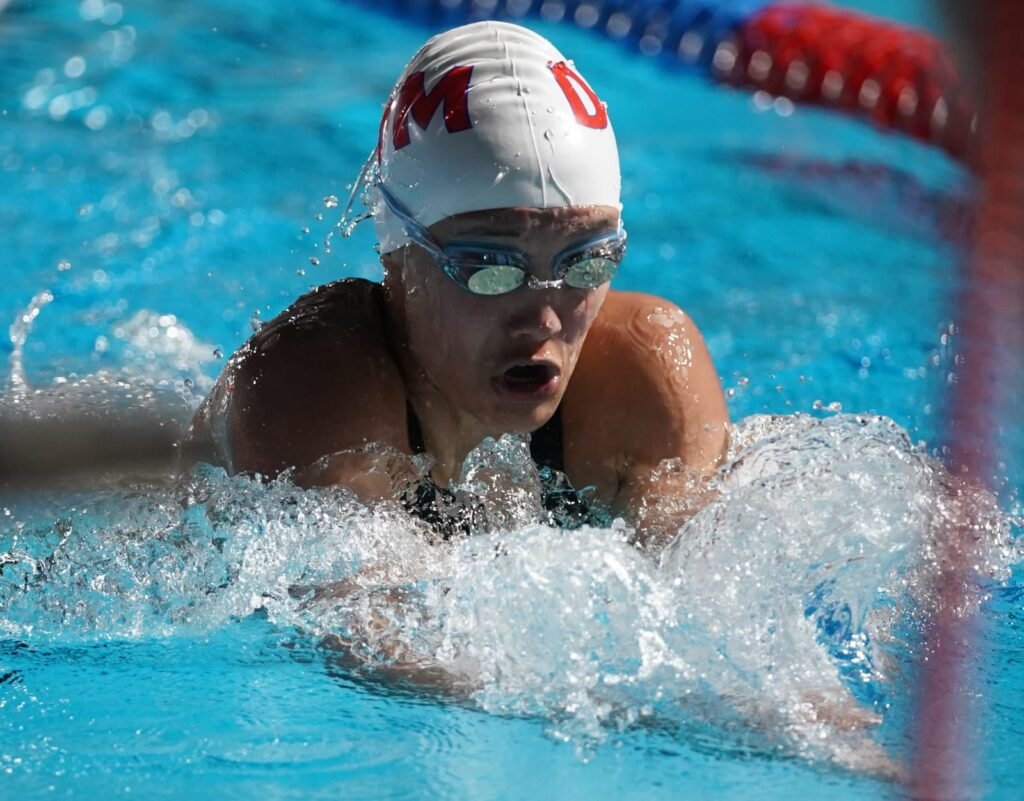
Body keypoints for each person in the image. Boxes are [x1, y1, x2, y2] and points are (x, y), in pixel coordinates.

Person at [187, 21, 729, 547]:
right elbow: (369, 634)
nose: (545, 319)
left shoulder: (644, 370)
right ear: (397, 255)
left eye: (585, 263)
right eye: (492, 268)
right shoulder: (313, 393)